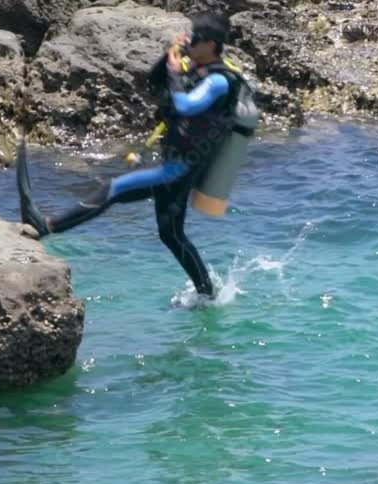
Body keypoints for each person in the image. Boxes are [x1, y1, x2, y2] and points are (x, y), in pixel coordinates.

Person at [18, 13, 248, 299]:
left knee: (114, 188)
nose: (191, 43)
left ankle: (47, 225)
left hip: (180, 169)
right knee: (171, 235)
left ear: (211, 44)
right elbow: (153, 83)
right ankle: (208, 295)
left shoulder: (220, 82)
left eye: (196, 40)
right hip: (178, 163)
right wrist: (169, 58)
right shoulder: (196, 70)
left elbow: (187, 106)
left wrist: (176, 75)